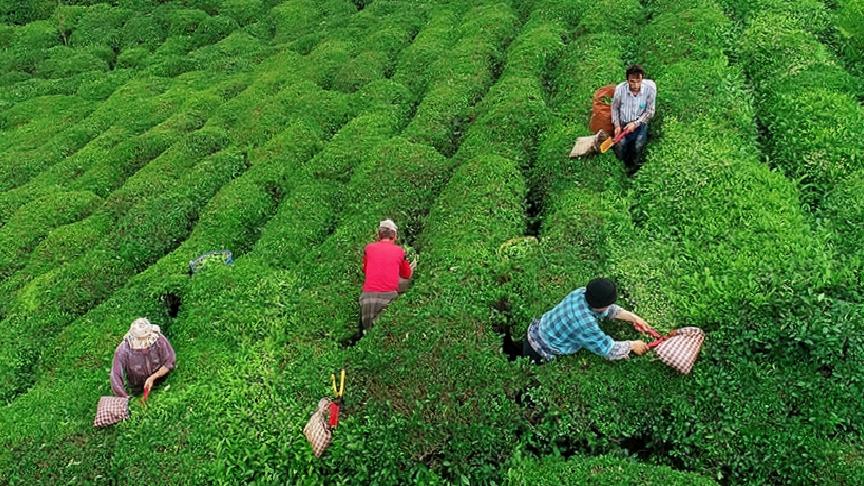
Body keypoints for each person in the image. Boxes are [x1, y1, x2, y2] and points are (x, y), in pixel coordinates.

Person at [519, 278, 650, 364]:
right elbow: (607, 349)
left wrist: (635, 318)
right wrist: (633, 345)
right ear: (603, 305)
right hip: (540, 349)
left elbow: (608, 309)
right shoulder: (585, 324)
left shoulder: (581, 292)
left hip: (537, 329)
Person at [358, 219, 415, 335]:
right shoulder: (400, 251)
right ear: (394, 235)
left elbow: (365, 269)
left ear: (379, 235)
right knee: (382, 335)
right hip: (388, 297)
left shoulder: (369, 248)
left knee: (368, 334)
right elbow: (406, 275)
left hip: (367, 299)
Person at [111, 317, 176, 398]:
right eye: (141, 339)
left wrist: (153, 377)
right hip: (138, 388)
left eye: (147, 337)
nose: (145, 342)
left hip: (162, 380)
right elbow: (116, 376)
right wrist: (124, 397)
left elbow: (170, 360)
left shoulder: (158, 339)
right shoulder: (123, 350)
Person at [611, 64, 656, 175]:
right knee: (620, 146)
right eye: (632, 81)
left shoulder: (650, 89)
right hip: (623, 124)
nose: (636, 85)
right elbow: (614, 108)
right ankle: (620, 169)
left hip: (640, 124)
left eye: (638, 81)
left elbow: (650, 111)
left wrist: (635, 124)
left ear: (642, 79)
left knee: (638, 145)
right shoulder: (620, 90)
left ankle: (633, 169)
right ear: (627, 80)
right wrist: (617, 126)